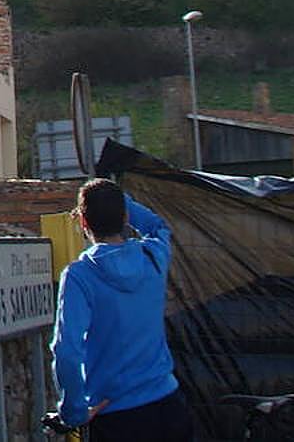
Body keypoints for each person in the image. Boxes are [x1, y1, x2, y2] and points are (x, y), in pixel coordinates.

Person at [50, 178, 195, 441]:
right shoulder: (153, 257)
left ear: (83, 223)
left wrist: (73, 412)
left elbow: (67, 351)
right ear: (126, 216)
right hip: (169, 405)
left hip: (116, 416)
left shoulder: (79, 276)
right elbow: (157, 225)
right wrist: (117, 200)